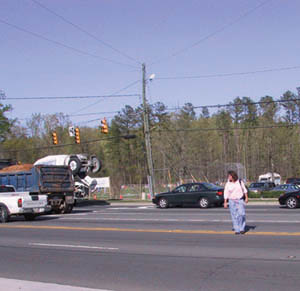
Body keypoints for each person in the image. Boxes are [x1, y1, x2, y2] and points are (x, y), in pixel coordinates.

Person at [224, 170, 248, 234]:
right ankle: (237, 229)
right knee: (234, 215)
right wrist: (225, 202)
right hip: (231, 201)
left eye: (229, 176)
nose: (228, 177)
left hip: (239, 200)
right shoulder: (228, 183)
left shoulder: (239, 182)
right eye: (228, 176)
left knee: (241, 214)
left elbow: (244, 190)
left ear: (233, 176)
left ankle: (242, 227)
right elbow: (226, 193)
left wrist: (246, 198)